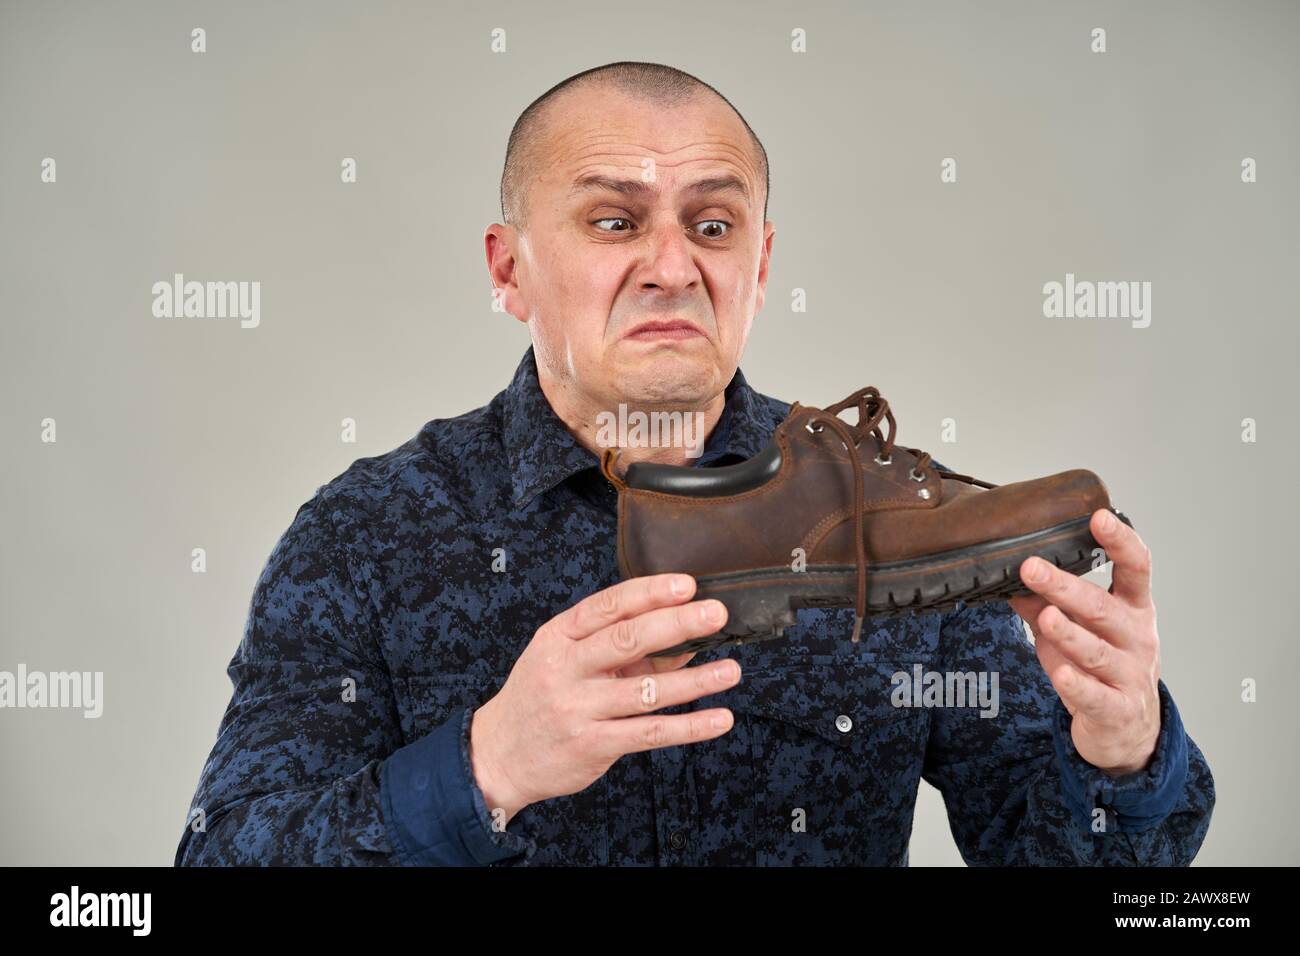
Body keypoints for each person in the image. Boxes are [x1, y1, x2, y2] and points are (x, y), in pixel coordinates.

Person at [176, 61, 1214, 866]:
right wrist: (487, 761)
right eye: (613, 220)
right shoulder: (369, 531)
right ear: (508, 268)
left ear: (758, 265)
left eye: (711, 225)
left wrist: (1118, 747)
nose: (673, 265)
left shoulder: (894, 528)